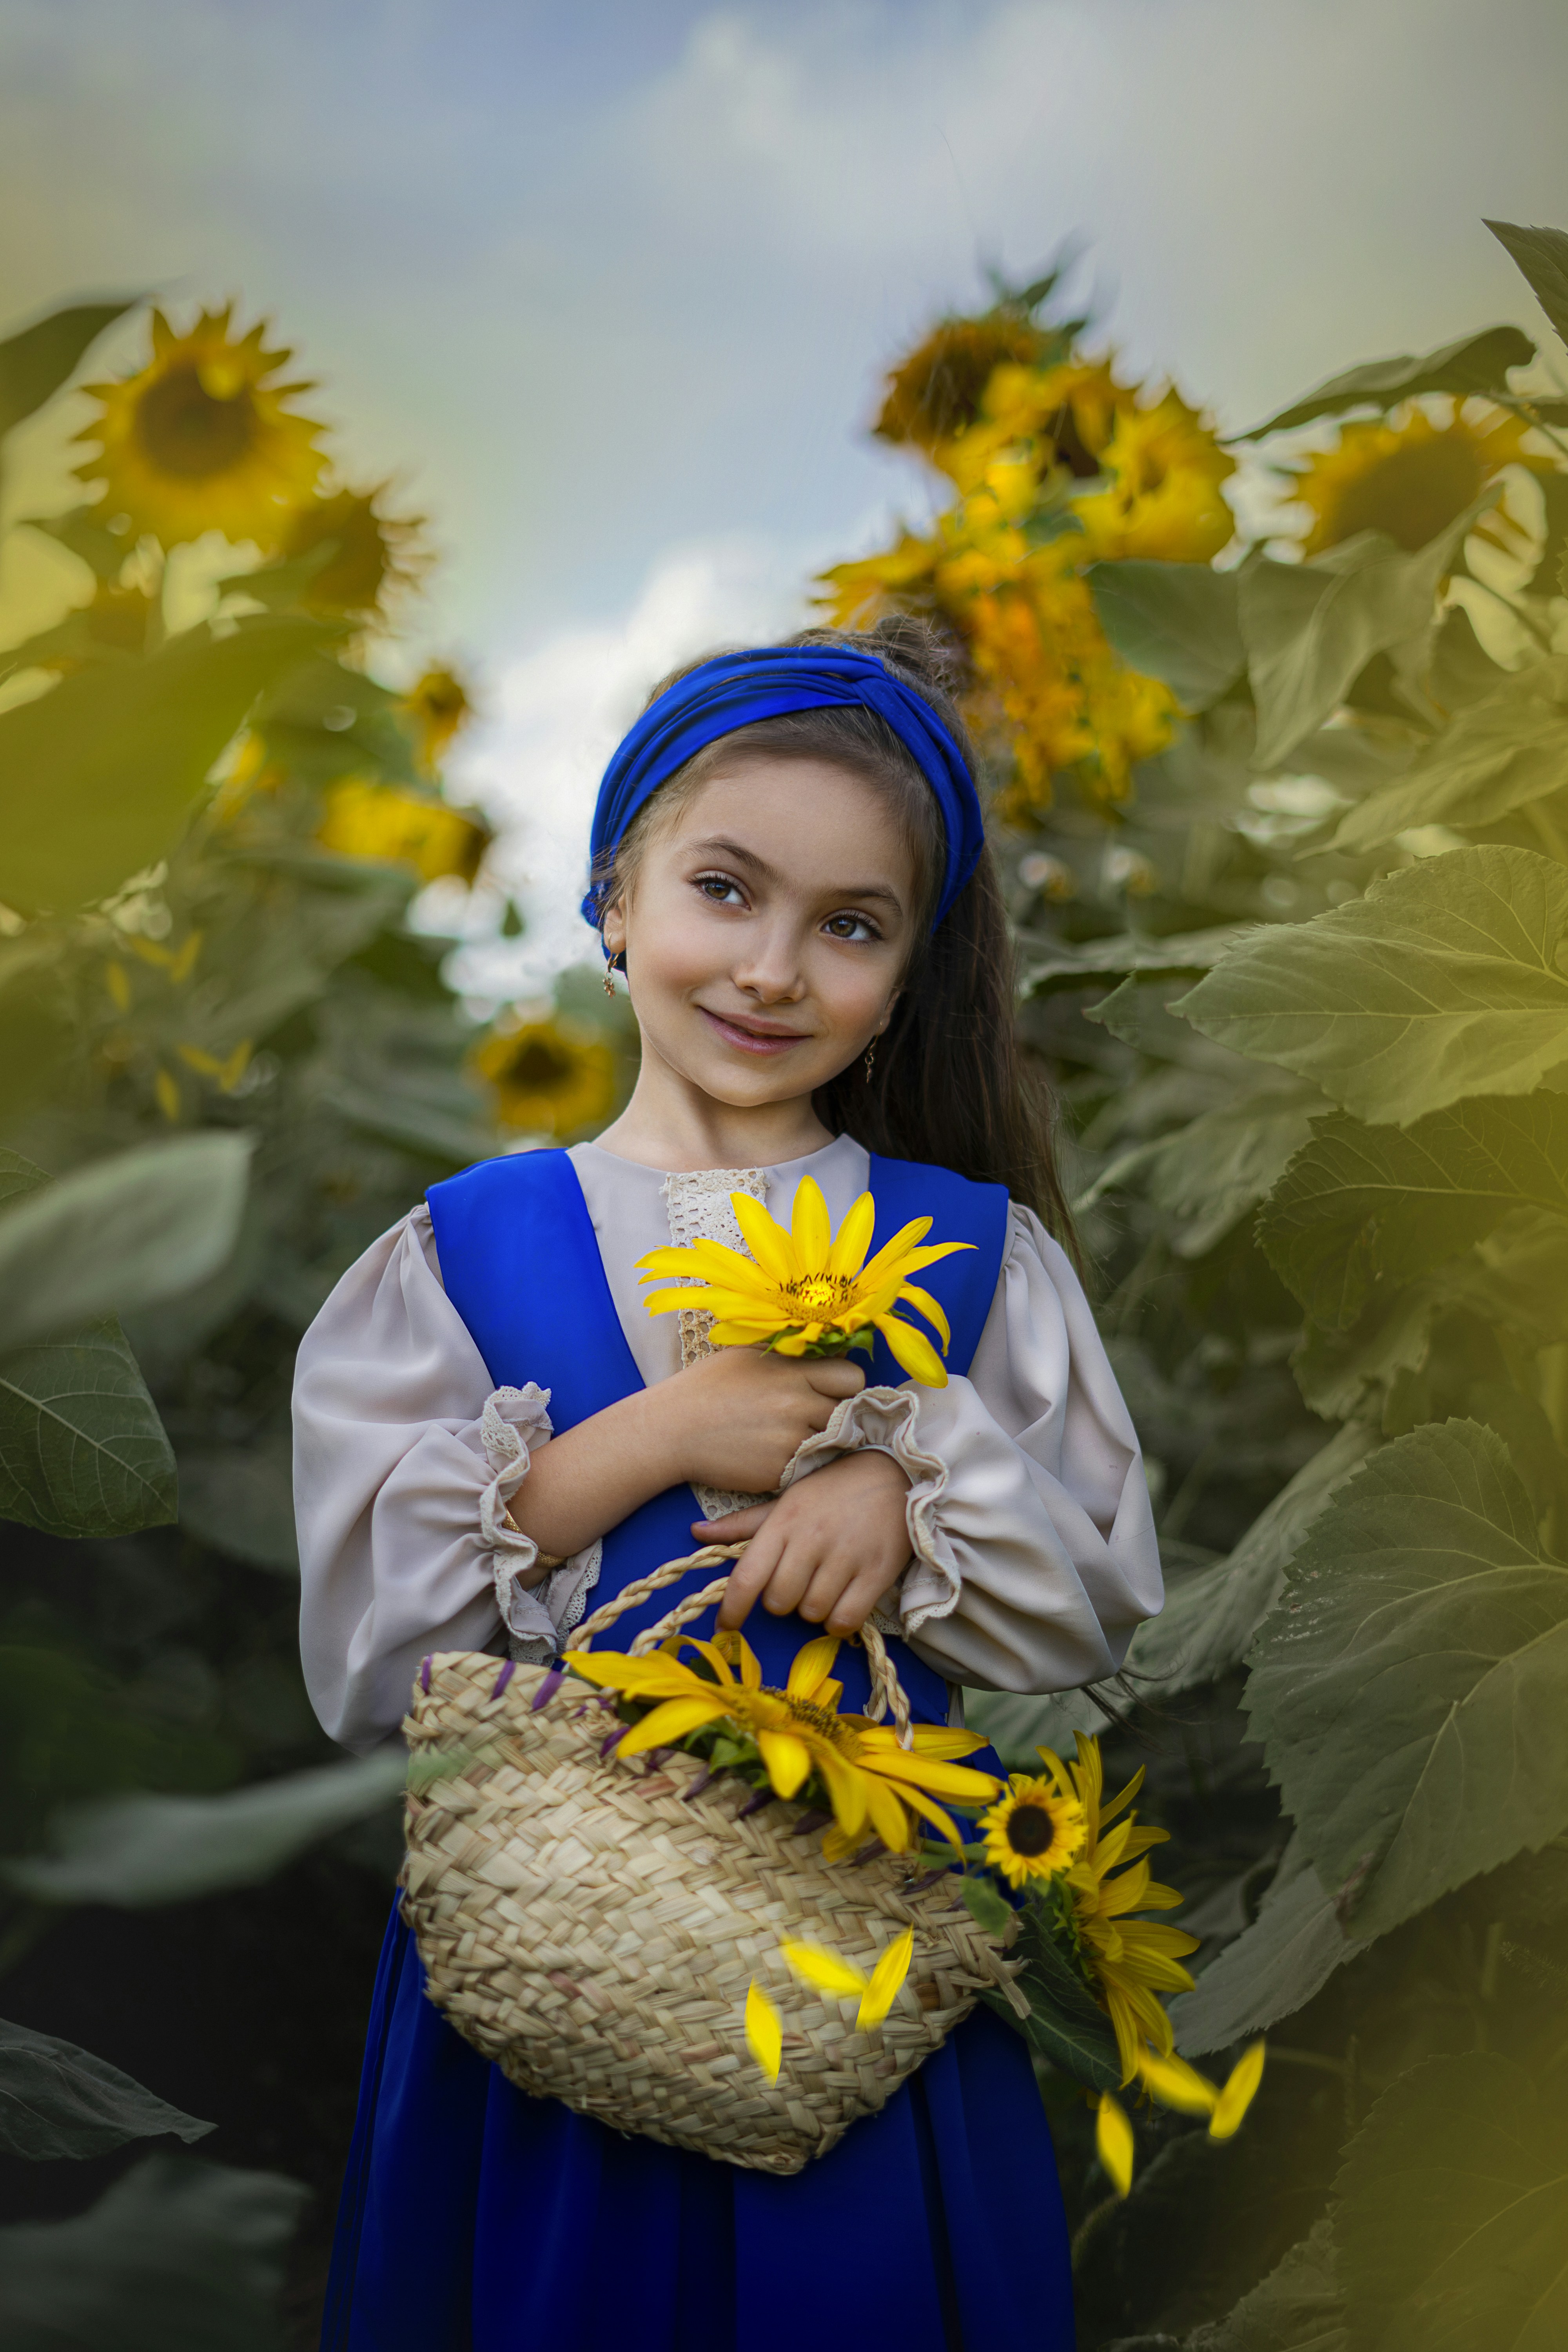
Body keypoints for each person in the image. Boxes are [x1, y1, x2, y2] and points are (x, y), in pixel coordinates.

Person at [294, 619, 1163, 2352]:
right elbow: (367, 1656)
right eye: (723, 890)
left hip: (863, 1972)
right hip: (549, 1972)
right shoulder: (463, 1250)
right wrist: (659, 1435)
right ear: (615, 898)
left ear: (906, 976)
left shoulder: (971, 1249)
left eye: (848, 926)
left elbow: (1093, 1594)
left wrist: (899, 1488)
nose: (772, 967)